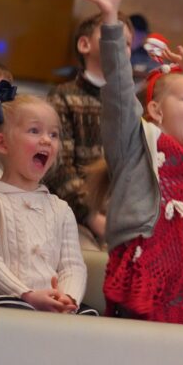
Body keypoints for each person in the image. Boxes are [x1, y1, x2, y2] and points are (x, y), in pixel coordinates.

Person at [78, 0, 183, 327]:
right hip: (146, 259)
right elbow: (119, 88)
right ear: (155, 110)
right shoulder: (135, 145)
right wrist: (110, 21)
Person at [0, 81, 96, 315]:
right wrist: (26, 294)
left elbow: (72, 265)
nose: (47, 139)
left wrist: (67, 298)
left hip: (50, 303)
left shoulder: (61, 208)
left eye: (53, 134)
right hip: (4, 298)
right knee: (13, 307)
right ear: (3, 144)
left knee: (90, 314)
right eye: (35, 131)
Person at [45, 13, 132, 251]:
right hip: (74, 214)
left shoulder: (130, 105)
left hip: (122, 217)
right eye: (112, 36)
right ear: (84, 45)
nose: (121, 47)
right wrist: (92, 217)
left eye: (126, 43)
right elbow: (58, 166)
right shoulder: (63, 96)